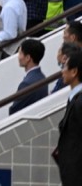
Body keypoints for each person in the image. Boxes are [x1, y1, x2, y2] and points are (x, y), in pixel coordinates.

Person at [54, 50, 82, 186]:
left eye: (64, 66)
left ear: (74, 71)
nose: (62, 71)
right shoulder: (74, 98)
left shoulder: (80, 102)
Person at [8, 38, 48, 114]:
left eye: (20, 53)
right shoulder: (42, 77)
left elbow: (14, 110)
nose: (18, 57)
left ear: (28, 58)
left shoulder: (26, 84)